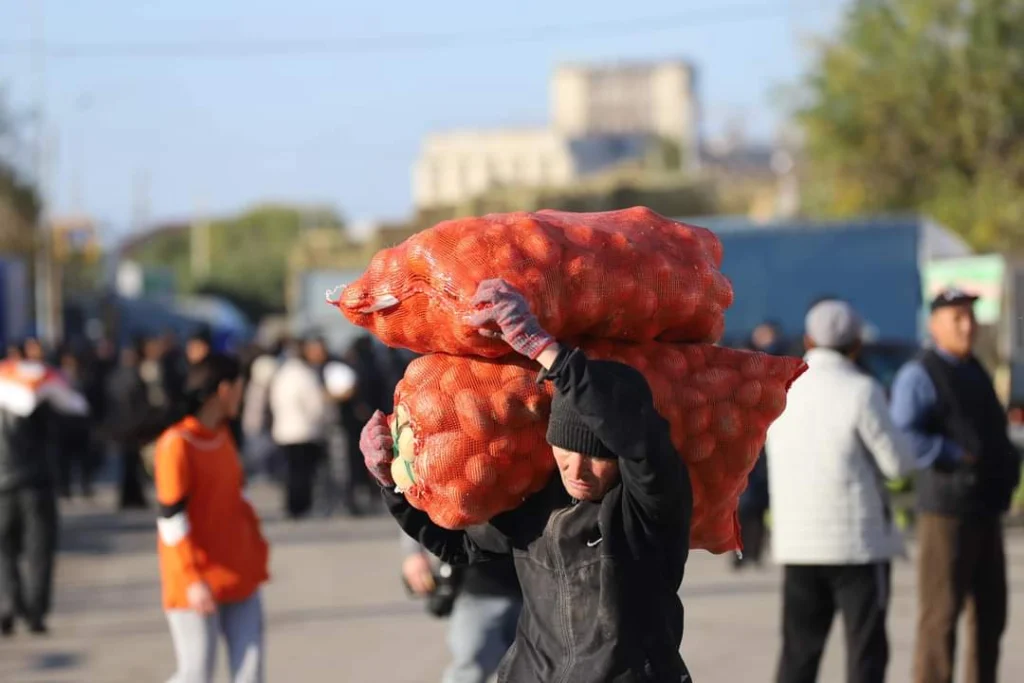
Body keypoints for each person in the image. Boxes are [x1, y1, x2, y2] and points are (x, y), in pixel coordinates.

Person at [361, 279, 693, 682]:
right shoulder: (539, 507)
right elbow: (456, 545)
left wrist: (544, 348)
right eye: (566, 451)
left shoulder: (648, 509)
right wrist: (390, 483)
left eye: (597, 457)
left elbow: (642, 442)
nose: (577, 469)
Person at [766, 299, 917, 683]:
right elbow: (898, 465)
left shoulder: (782, 390)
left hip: (798, 545)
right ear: (856, 345)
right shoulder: (863, 391)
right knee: (865, 654)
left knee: (798, 655)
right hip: (857, 545)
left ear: (808, 340)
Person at [890, 289, 1021, 683]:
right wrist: (952, 453)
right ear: (935, 324)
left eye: (970, 317)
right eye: (957, 318)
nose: (968, 326)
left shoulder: (975, 367)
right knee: (941, 616)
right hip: (946, 511)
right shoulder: (921, 373)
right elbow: (904, 434)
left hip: (985, 506)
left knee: (991, 615)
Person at [154, 353, 269, 683]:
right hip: (194, 582)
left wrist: (256, 551)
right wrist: (192, 579)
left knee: (250, 675)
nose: (241, 397)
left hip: (238, 574)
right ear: (224, 389)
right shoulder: (177, 443)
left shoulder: (223, 436)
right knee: (195, 675)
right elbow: (171, 521)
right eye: (239, 389)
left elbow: (236, 499)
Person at [0, 355, 89, 636]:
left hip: (3, 487)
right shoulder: (45, 397)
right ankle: (35, 612)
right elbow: (73, 425)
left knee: (4, 550)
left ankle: (9, 602)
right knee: (39, 550)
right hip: (37, 484)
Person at [401, 533, 522, 683]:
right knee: (470, 669)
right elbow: (418, 509)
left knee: (535, 670)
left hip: (541, 584)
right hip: (478, 585)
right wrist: (414, 552)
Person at [268, 338, 330, 519]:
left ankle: (292, 505)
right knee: (304, 474)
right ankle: (302, 506)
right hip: (305, 431)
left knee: (290, 472)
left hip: (283, 431)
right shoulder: (306, 375)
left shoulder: (282, 374)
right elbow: (315, 406)